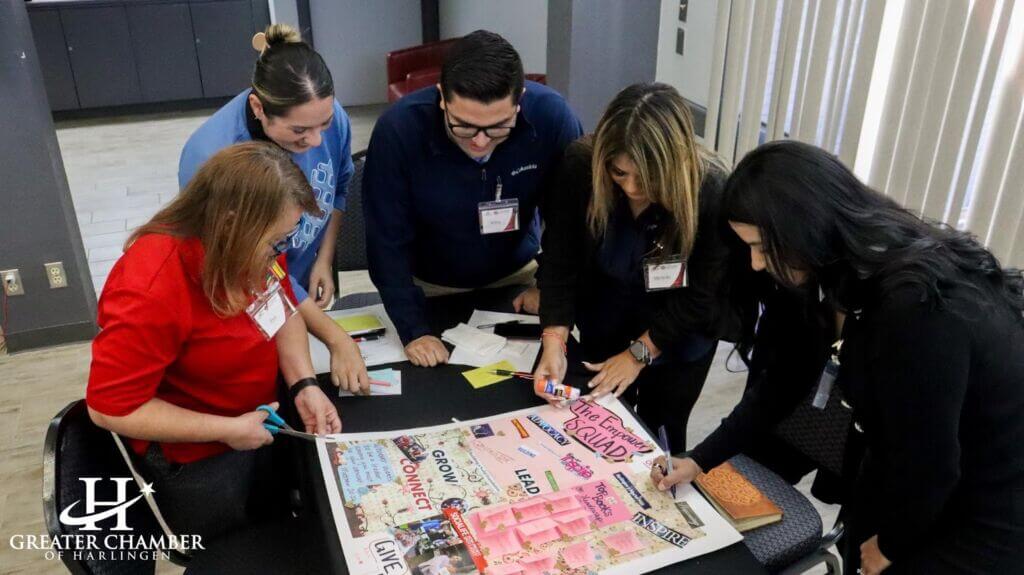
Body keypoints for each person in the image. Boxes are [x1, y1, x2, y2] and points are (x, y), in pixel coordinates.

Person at [651, 141, 1024, 574]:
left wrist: (891, 545)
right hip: (899, 474)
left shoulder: (917, 309)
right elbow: (781, 384)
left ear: (802, 226)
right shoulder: (822, 272)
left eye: (761, 246)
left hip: (983, 510)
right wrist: (700, 458)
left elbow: (931, 466)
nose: (755, 264)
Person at [88, 142, 342, 542]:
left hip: (254, 422)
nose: (281, 252)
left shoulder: (252, 245)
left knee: (281, 526)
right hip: (201, 459)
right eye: (276, 242)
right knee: (237, 547)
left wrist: (304, 383)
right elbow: (110, 409)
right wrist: (226, 429)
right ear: (229, 224)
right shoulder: (149, 288)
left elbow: (283, 308)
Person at [532, 83, 741, 453]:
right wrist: (554, 339)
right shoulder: (581, 167)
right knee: (598, 430)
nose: (631, 188)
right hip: (605, 318)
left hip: (680, 334)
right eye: (619, 173)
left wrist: (640, 354)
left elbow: (701, 296)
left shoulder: (711, 190)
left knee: (661, 435)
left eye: (647, 178)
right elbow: (559, 260)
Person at [363, 30, 582, 366]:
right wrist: (413, 328)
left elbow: (570, 222)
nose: (480, 142)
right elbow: (385, 241)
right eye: (463, 126)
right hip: (431, 285)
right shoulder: (399, 130)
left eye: (498, 127)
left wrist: (547, 287)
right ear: (441, 97)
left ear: (519, 99)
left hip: (517, 277)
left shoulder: (552, 119)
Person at [179, 24, 369, 393]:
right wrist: (335, 338)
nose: (316, 139)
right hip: (250, 296)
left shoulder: (323, 116)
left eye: (324, 125)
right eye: (299, 132)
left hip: (296, 286)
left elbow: (340, 187)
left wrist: (323, 260)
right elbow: (253, 268)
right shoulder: (215, 158)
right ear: (258, 108)